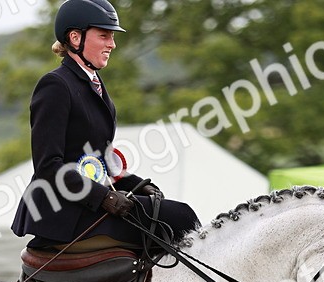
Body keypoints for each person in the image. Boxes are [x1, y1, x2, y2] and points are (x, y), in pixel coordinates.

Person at [11, 0, 200, 254]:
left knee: (177, 213)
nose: (112, 44)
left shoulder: (94, 83)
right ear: (75, 37)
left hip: (88, 204)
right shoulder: (55, 85)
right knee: (180, 218)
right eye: (104, 36)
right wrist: (105, 197)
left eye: (111, 37)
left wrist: (135, 183)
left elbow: (99, 159)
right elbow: (48, 167)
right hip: (64, 213)